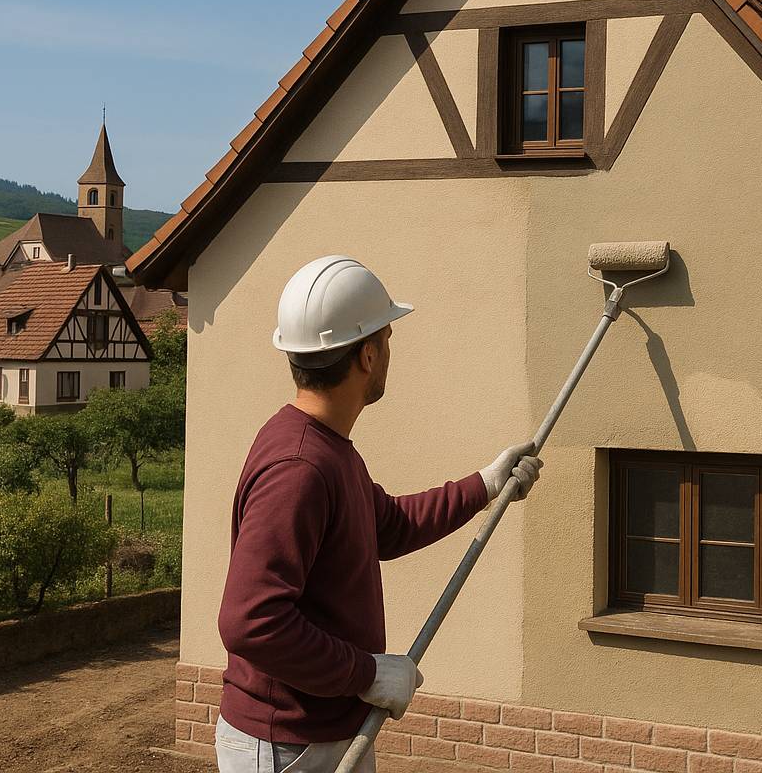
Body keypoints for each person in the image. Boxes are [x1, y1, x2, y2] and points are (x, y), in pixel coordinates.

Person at [214, 256, 542, 773]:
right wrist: (364, 673)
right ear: (368, 355)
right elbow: (251, 622)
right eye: (388, 337)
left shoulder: (326, 449)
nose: (391, 350)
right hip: (287, 746)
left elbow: (388, 525)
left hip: (325, 733)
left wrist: (486, 483)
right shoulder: (300, 467)